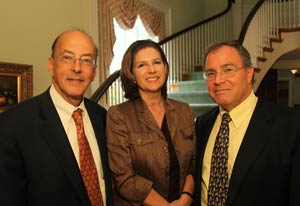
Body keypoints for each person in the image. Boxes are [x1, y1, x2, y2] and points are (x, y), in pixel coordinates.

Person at [0, 29, 113, 206]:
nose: (77, 68)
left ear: (94, 71)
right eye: (68, 58)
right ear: (51, 65)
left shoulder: (102, 117)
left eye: (86, 60)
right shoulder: (14, 124)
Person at [193, 41, 300, 206]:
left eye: (228, 70)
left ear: (249, 73)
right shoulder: (202, 124)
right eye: (211, 73)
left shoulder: (290, 125)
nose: (218, 80)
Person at [106, 39, 195, 206]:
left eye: (156, 62)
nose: (152, 70)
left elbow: (192, 165)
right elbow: (124, 178)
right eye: (142, 65)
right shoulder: (119, 115)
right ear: (132, 75)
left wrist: (185, 198)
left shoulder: (184, 111)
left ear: (165, 67)